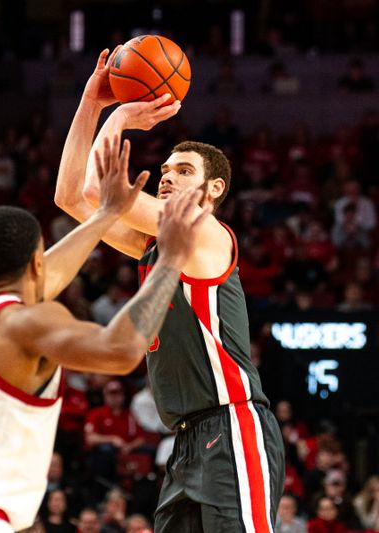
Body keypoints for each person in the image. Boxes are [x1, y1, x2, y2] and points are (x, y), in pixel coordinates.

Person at [0, 129, 210, 532]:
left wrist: (106, 214)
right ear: (36, 262)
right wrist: (170, 259)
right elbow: (120, 351)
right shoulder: (28, 321)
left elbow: (43, 275)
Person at [54, 48, 285, 533]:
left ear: (214, 189)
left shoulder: (205, 231)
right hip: (185, 440)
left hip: (232, 426)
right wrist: (90, 103)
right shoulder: (151, 246)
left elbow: (101, 193)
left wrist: (118, 117)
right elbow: (71, 196)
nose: (166, 178)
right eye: (164, 172)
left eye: (183, 171)